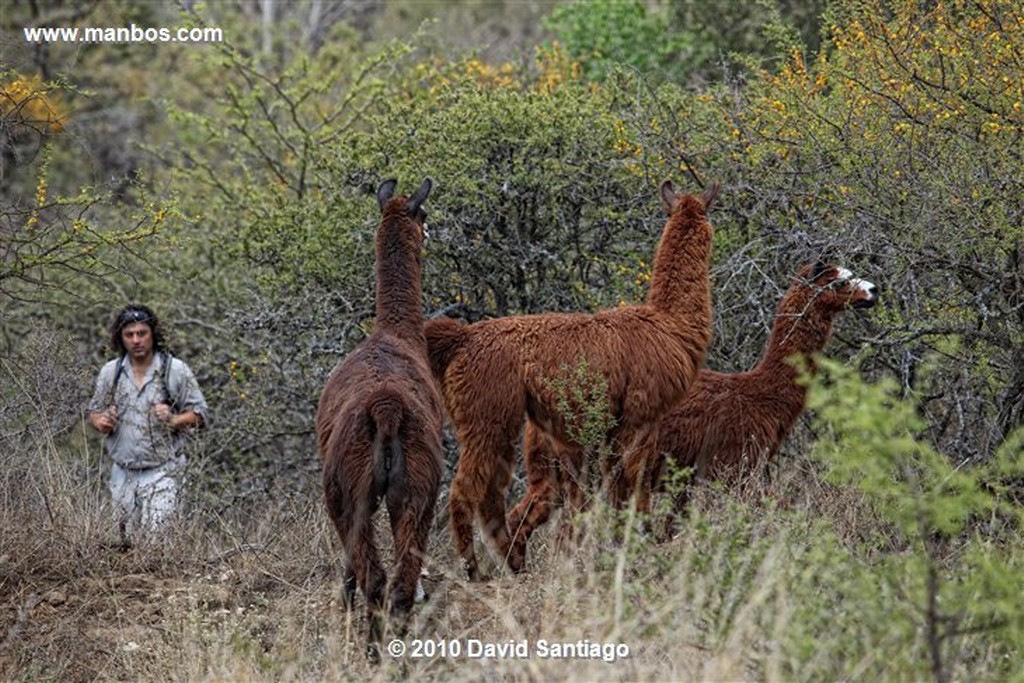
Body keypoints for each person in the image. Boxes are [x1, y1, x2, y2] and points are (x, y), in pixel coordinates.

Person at [87, 304, 210, 546]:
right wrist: (101, 421)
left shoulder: (174, 370)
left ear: (152, 334)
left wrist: (174, 420)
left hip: (163, 470)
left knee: (157, 541)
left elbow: (201, 414)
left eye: (141, 333)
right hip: (122, 470)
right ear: (120, 338)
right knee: (125, 543)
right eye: (129, 334)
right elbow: (94, 411)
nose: (136, 340)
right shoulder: (110, 372)